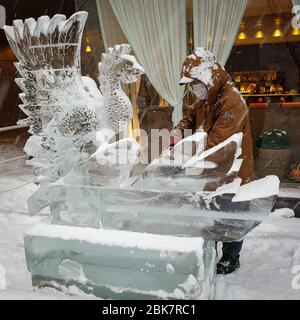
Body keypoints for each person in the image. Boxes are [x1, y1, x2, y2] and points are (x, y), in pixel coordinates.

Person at [170, 47, 254, 275]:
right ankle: (211, 248)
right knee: (212, 212)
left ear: (207, 77)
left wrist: (187, 159)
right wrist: (178, 131)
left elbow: (219, 142)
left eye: (195, 83)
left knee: (231, 213)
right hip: (212, 169)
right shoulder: (207, 97)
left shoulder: (231, 101)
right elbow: (189, 116)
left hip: (232, 169)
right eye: (190, 84)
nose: (193, 89)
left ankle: (231, 256)